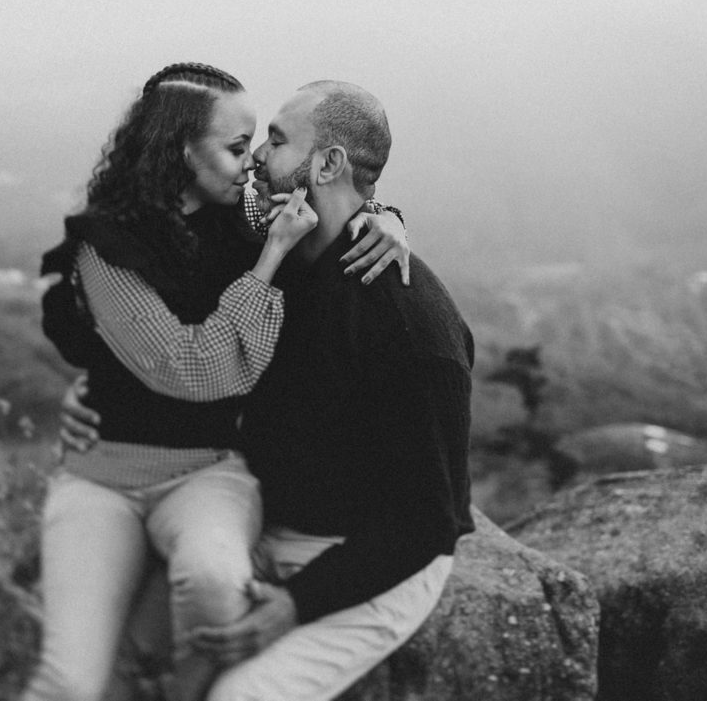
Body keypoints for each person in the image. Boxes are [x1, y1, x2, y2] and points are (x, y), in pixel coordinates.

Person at [60, 80, 475, 700]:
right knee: (113, 666)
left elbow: (426, 524)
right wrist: (97, 394)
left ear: (328, 164)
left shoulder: (412, 331)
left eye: (276, 141)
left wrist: (296, 604)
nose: (256, 155)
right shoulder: (271, 253)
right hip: (262, 523)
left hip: (362, 558)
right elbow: (174, 339)